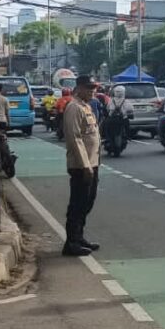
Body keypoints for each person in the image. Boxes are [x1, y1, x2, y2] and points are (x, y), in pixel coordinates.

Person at [62, 74, 101, 257]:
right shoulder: (74, 107)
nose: (93, 91)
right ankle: (71, 242)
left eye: (94, 88)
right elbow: (74, 138)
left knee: (87, 201)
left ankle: (79, 237)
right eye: (89, 88)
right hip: (81, 166)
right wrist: (85, 165)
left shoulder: (86, 106)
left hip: (92, 163)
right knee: (78, 203)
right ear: (79, 88)